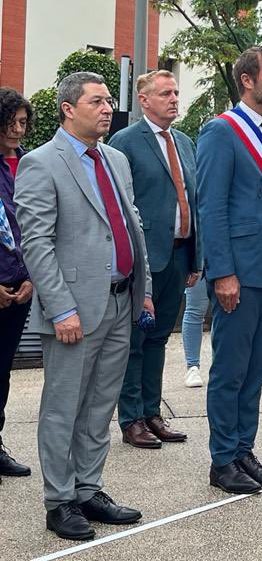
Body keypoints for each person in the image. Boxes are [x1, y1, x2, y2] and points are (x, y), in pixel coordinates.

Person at [16, 72, 153, 541]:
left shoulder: (115, 158)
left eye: (109, 100)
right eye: (96, 100)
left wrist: (145, 288)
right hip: (74, 309)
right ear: (68, 108)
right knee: (63, 408)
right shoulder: (40, 163)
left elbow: (132, 227)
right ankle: (59, 502)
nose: (107, 107)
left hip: (119, 303)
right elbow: (35, 244)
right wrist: (60, 309)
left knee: (99, 406)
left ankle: (88, 489)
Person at [197, 45, 262, 494]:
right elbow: (211, 206)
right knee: (230, 370)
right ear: (247, 80)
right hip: (239, 272)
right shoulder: (221, 132)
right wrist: (222, 272)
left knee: (256, 370)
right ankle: (222, 461)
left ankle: (243, 450)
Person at [109, 70, 202, 448]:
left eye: (176, 92)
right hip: (143, 259)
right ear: (144, 100)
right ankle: (131, 418)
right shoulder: (125, 142)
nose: (174, 99)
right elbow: (119, 204)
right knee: (134, 339)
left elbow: (194, 200)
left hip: (180, 256)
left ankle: (152, 412)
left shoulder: (184, 142)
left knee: (160, 337)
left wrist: (197, 257)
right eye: (165, 93)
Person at [0, 88, 35, 483]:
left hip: (21, 283)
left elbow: (39, 229)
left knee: (2, 369)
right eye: (10, 121)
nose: (16, 129)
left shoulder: (29, 165)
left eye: (23, 122)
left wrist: (31, 278)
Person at [181, 273, 210, 388]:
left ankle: (221, 366)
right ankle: (192, 367)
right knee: (195, 309)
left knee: (226, 311)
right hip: (201, 259)